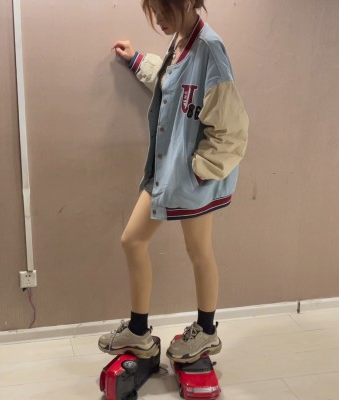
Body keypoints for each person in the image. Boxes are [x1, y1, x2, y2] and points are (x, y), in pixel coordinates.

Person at [99, 0, 249, 363]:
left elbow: (232, 129)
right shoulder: (181, 40)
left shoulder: (210, 49)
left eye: (164, 10)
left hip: (192, 178)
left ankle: (207, 332)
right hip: (167, 171)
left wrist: (199, 171)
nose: (159, 20)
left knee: (199, 251)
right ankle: (139, 332)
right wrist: (138, 60)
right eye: (154, 11)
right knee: (133, 240)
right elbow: (173, 85)